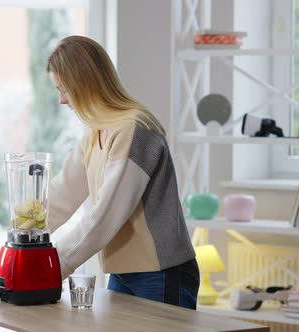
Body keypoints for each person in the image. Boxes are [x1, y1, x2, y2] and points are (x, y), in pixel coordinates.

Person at [46, 36, 199, 310]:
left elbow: (104, 216)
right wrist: (24, 235)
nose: (61, 100)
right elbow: (63, 194)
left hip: (161, 272)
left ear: (84, 82)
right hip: (123, 272)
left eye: (64, 89)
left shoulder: (133, 129)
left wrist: (52, 266)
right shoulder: (97, 131)